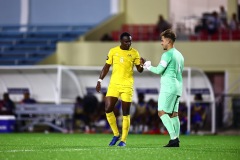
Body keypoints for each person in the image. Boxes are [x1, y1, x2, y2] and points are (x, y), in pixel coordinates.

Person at [96, 32, 144, 147]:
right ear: (121, 41)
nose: (129, 43)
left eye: (130, 41)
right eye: (126, 41)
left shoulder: (134, 53)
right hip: (114, 85)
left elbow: (139, 70)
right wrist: (99, 81)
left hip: (127, 86)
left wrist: (142, 64)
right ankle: (116, 134)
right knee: (108, 109)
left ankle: (123, 140)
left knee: (125, 113)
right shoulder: (113, 51)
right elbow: (106, 67)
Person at [143, 29, 184, 147]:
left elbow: (159, 70)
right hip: (178, 87)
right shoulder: (179, 55)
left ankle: (173, 138)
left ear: (168, 41)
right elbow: (180, 72)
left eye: (162, 40)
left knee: (161, 111)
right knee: (174, 114)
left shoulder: (167, 54)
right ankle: (177, 139)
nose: (161, 43)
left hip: (169, 87)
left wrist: (148, 66)